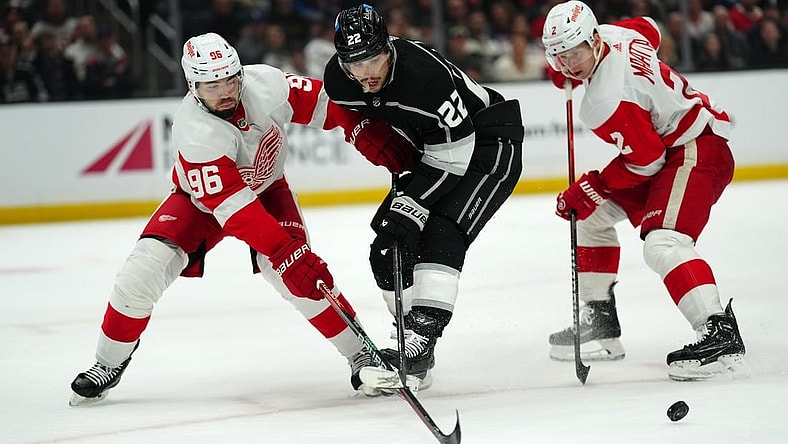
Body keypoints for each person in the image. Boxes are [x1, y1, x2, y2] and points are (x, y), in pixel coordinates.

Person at [69, 32, 414, 406]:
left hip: (269, 190)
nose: (225, 91)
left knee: (301, 279)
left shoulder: (265, 82)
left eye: (230, 79)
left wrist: (359, 126)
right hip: (199, 205)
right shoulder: (195, 132)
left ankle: (361, 355)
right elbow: (235, 211)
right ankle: (107, 363)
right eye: (211, 84)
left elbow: (322, 103)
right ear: (192, 85)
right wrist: (285, 251)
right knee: (142, 271)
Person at [541, 1, 746, 381]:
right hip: (672, 145)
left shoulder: (605, 101)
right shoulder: (620, 33)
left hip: (696, 147)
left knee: (663, 242)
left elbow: (645, 162)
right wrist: (575, 66)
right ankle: (601, 320)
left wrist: (593, 186)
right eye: (559, 56)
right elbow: (651, 28)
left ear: (594, 39)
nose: (568, 65)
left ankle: (719, 334)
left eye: (575, 54)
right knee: (592, 217)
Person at [323, 4, 524, 390]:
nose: (365, 73)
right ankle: (413, 346)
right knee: (388, 247)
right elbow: (353, 112)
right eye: (354, 63)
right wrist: (367, 135)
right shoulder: (340, 79)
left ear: (389, 47)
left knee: (441, 230)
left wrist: (411, 203)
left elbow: (457, 155)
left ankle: (421, 340)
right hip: (431, 153)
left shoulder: (424, 76)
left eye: (372, 59)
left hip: (487, 144)